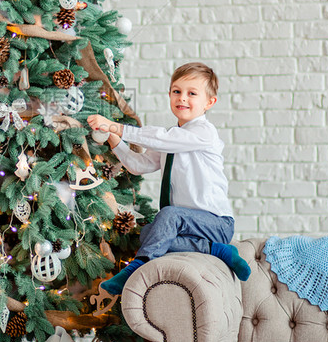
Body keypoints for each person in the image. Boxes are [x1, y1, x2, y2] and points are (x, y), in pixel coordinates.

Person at [87, 62, 250, 295]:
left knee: (168, 217)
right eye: (176, 91)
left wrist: (116, 126)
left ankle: (134, 270)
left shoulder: (204, 133)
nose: (182, 98)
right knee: (147, 233)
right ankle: (218, 250)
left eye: (192, 93)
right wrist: (113, 138)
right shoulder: (172, 139)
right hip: (188, 228)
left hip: (216, 223)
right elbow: (137, 164)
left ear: (209, 102)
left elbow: (161, 138)